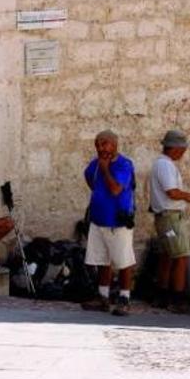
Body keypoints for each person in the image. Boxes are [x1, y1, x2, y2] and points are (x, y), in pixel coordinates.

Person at [79, 130, 136, 316]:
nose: (100, 148)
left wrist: (105, 169)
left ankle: (124, 298)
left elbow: (115, 189)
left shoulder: (123, 165)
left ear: (114, 144)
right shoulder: (94, 165)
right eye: (97, 144)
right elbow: (89, 179)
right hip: (98, 220)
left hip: (117, 221)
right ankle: (102, 296)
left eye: (104, 144)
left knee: (123, 260)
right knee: (102, 259)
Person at [149, 129, 190, 314]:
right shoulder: (166, 165)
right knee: (181, 256)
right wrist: (188, 196)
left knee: (167, 257)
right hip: (170, 217)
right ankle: (177, 299)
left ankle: (161, 295)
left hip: (164, 217)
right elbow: (172, 192)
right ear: (176, 148)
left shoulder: (160, 164)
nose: (183, 153)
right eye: (182, 149)